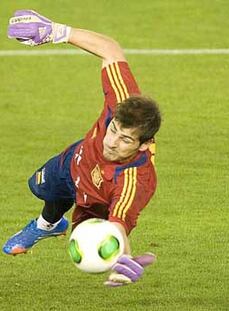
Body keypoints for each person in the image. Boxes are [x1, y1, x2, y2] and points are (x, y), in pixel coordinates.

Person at [3, 10, 161, 287]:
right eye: (113, 130)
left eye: (125, 140)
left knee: (91, 240)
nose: (112, 142)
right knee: (41, 187)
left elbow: (119, 223)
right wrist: (56, 31)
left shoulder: (134, 182)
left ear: (144, 144)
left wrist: (122, 258)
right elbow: (110, 49)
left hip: (96, 199)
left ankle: (48, 226)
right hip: (74, 161)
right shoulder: (124, 104)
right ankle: (49, 225)